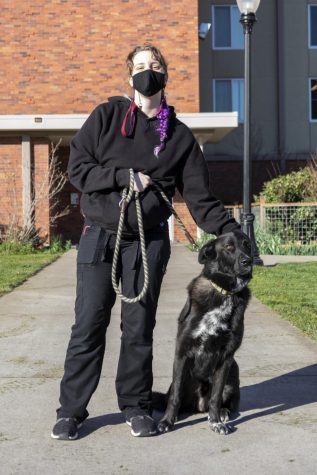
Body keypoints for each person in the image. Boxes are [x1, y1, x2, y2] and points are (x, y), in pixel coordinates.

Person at [51, 44, 241, 440]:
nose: (147, 72)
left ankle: (135, 406)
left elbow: (200, 199)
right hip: (100, 238)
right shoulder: (106, 117)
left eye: (154, 66)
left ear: (165, 75)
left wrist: (230, 232)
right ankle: (71, 411)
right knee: (88, 324)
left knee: (138, 328)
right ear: (129, 76)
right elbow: (79, 168)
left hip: (148, 243)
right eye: (139, 66)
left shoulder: (179, 137)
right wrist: (124, 176)